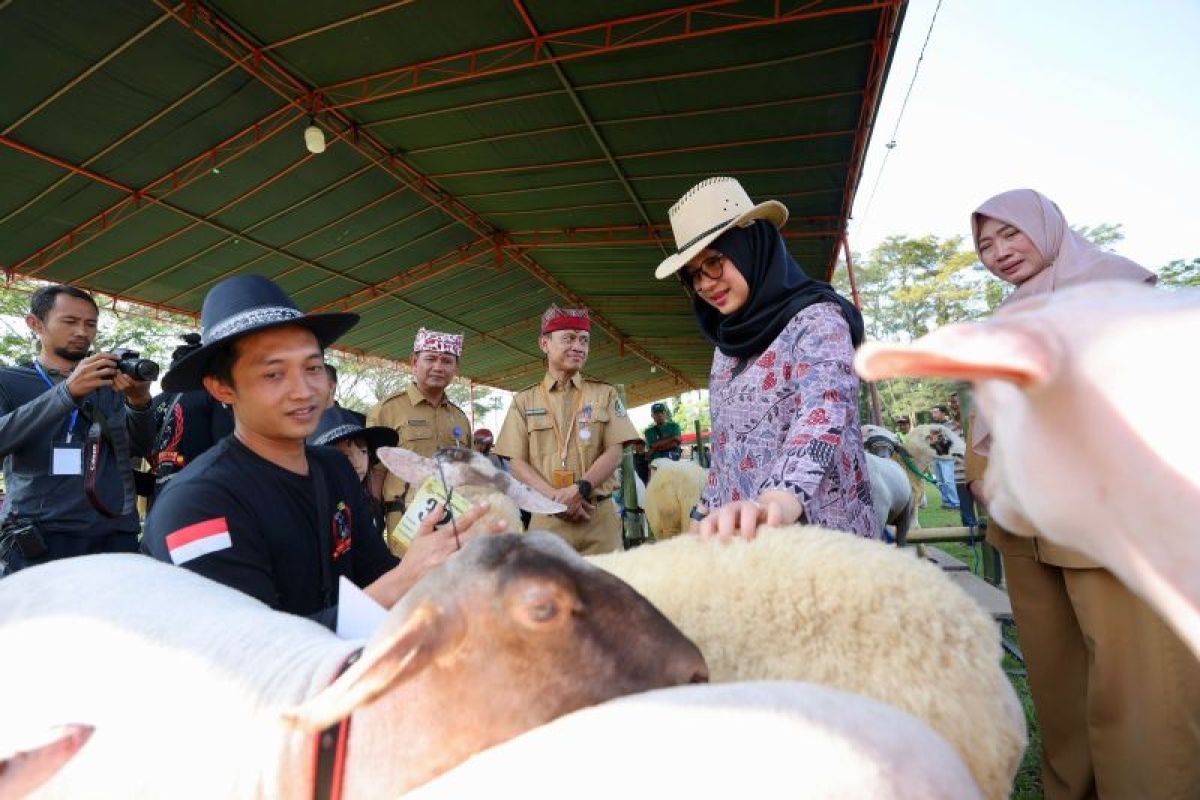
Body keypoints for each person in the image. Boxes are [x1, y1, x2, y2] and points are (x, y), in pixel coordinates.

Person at [966, 188, 1199, 799]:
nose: (999, 253)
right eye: (986, 245)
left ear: (1045, 226)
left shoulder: (1117, 288)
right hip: (1021, 523)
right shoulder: (1008, 316)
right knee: (1058, 681)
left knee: (1138, 684)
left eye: (1010, 234)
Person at [142, 275, 501, 629]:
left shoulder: (333, 468)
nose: (304, 390)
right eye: (274, 374)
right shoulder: (198, 504)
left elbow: (373, 572)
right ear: (222, 388)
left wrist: (442, 570)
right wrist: (406, 578)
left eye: (312, 368)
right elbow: (259, 652)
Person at [653, 177, 875, 539]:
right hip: (744, 545)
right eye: (693, 274)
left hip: (819, 541)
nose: (706, 283)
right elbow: (726, 452)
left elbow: (825, 410)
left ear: (751, 247)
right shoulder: (726, 348)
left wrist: (775, 501)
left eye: (714, 262)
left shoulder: (817, 320)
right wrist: (702, 513)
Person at [0, 285, 155, 572]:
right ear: (35, 324)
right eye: (70, 322)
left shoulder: (110, 383)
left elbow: (139, 448)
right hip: (40, 534)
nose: (82, 332)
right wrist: (66, 392)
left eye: (90, 324)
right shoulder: (8, 381)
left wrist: (139, 400)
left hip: (114, 532)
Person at [494, 304, 641, 555]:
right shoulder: (524, 401)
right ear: (544, 343)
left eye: (584, 340)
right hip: (547, 516)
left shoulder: (604, 393)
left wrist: (580, 489)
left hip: (598, 517)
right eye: (569, 339)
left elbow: (615, 451)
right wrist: (556, 499)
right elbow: (516, 462)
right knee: (545, 592)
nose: (578, 346)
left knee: (604, 590)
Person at [367, 328, 471, 545]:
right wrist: (373, 518)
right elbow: (375, 473)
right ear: (414, 362)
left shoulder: (460, 418)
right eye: (430, 359)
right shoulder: (387, 409)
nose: (438, 367)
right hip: (405, 520)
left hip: (454, 520)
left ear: (456, 368)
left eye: (447, 361)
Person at [149, 333, 235, 502]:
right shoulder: (215, 394)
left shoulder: (153, 402)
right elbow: (226, 446)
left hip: (161, 495)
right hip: (202, 493)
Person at [309, 406, 398, 540]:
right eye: (344, 456)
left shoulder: (367, 502)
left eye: (362, 451)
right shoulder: (310, 512)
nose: (357, 463)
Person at [928, 405, 959, 510]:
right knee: (940, 481)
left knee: (948, 480)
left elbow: (953, 440)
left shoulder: (950, 424)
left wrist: (940, 439)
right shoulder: (932, 426)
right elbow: (930, 441)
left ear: (943, 413)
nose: (933, 414)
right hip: (935, 456)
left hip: (947, 457)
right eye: (932, 412)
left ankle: (955, 503)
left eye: (936, 412)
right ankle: (946, 502)